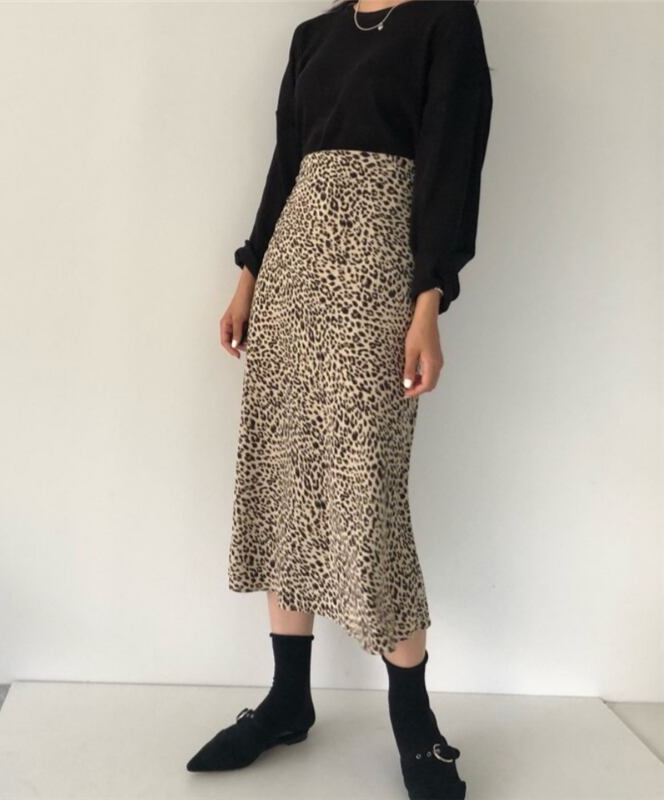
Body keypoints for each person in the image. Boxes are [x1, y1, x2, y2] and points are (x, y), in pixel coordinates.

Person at [188, 1, 493, 797]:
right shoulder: (314, 36)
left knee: (366, 490)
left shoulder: (444, 19)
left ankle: (415, 723)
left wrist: (430, 297)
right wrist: (249, 275)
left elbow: (452, 159)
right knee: (284, 473)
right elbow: (286, 160)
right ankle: (288, 701)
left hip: (381, 272)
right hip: (291, 272)